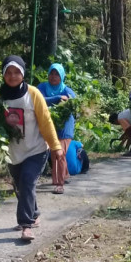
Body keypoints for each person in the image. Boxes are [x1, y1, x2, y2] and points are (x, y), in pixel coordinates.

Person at [0, 55, 63, 242]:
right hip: (13, 151)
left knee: (27, 181)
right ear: (3, 75)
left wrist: (56, 146)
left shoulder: (33, 94)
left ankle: (26, 225)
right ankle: (34, 212)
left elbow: (46, 121)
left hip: (36, 149)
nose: (12, 76)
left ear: (23, 73)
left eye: (16, 72)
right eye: (8, 73)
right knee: (21, 185)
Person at [38, 63, 76, 194]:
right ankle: (62, 176)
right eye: (51, 73)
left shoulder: (66, 89)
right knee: (54, 153)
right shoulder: (43, 87)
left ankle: (60, 184)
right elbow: (40, 99)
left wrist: (68, 99)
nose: (53, 77)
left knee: (60, 153)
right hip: (50, 124)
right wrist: (57, 98)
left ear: (62, 77)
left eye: (57, 74)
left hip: (65, 125)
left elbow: (74, 100)